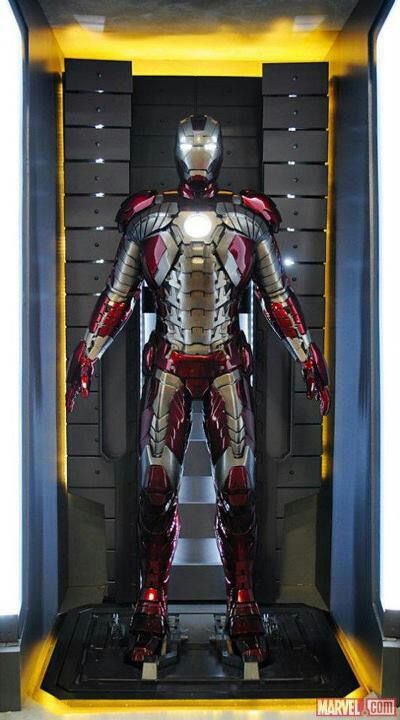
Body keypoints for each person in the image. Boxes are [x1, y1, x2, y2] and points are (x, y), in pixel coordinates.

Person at [66, 114, 330, 665]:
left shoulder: (248, 220)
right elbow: (117, 296)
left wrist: (308, 356)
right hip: (168, 364)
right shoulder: (148, 220)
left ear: (220, 152)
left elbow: (278, 298)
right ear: (178, 151)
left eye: (206, 146)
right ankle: (151, 603)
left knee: (239, 487)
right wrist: (87, 353)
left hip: (226, 365)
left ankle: (242, 602)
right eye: (192, 145)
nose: (199, 155)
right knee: (155, 487)